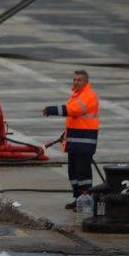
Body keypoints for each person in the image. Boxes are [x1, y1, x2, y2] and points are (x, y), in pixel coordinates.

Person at [42, 70, 100, 209]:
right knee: (73, 172)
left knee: (83, 173)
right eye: (74, 79)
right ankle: (78, 198)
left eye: (79, 80)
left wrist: (51, 110)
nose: (75, 82)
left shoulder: (88, 96)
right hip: (75, 140)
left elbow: (74, 110)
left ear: (86, 82)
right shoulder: (77, 95)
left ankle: (86, 201)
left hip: (84, 141)